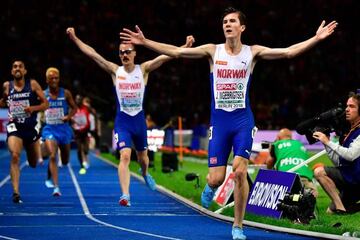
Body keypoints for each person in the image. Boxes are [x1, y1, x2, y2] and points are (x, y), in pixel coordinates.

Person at [120, 7, 337, 239]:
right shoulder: (213, 51)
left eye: (232, 21)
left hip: (243, 121)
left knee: (240, 171)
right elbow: (175, 52)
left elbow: (287, 53)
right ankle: (210, 186)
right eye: (224, 21)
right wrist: (144, 42)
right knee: (216, 177)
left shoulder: (252, 52)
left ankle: (237, 226)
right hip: (220, 123)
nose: (227, 24)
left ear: (242, 27)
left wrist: (315, 38)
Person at [66, 27, 194, 207]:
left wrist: (184, 46)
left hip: (139, 122)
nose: (124, 55)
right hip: (123, 122)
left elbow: (166, 57)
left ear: (134, 53)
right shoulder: (115, 71)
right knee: (125, 156)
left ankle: (145, 173)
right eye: (121, 52)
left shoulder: (144, 69)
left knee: (143, 158)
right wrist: (75, 38)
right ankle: (125, 194)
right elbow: (93, 55)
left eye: (127, 52)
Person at [0, 60, 49, 203]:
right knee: (15, 156)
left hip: (30, 128)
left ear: (24, 71)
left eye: (20, 66)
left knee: (33, 163)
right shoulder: (7, 86)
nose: (17, 68)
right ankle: (16, 192)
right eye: (14, 66)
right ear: (11, 71)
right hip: (14, 127)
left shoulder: (32, 84)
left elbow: (45, 104)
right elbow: (2, 102)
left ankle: (40, 149)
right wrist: (3, 100)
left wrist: (32, 109)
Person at [313, 91, 360, 214]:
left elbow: (351, 155)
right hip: (351, 180)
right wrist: (326, 143)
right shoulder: (350, 131)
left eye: (352, 106)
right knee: (330, 212)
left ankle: (341, 209)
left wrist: (328, 143)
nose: (347, 109)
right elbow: (339, 161)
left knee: (319, 171)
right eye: (347, 106)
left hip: (356, 180)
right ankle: (343, 208)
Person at [41, 67, 77, 196]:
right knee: (52, 155)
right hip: (50, 128)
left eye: (56, 78)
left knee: (65, 160)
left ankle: (50, 173)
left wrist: (68, 117)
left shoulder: (65, 93)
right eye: (52, 78)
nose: (54, 80)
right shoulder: (43, 95)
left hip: (64, 130)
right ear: (47, 80)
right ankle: (56, 187)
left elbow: (74, 108)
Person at [266, 128, 318, 197]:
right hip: (304, 176)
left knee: (282, 199)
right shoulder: (299, 144)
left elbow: (269, 162)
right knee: (310, 197)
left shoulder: (276, 144)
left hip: (285, 177)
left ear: (278, 137)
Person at [71, 94, 91, 174]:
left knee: (86, 150)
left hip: (85, 132)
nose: (77, 101)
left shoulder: (86, 108)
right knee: (79, 149)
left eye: (79, 99)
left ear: (82, 100)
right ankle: (82, 165)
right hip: (77, 133)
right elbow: (70, 119)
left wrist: (89, 127)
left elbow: (92, 117)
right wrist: (73, 125)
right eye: (76, 99)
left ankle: (85, 156)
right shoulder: (73, 109)